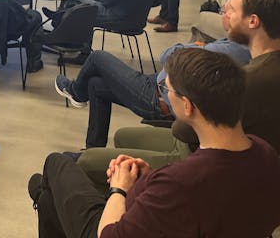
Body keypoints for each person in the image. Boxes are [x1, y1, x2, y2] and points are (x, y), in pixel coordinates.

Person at [29, 48, 280, 238]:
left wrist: (120, 188)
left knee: (54, 165)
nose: (164, 93)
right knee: (47, 195)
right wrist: (150, 179)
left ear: (187, 106)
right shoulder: (265, 153)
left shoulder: (181, 184)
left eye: (166, 88)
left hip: (110, 227)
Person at [75, 0, 280, 186]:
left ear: (253, 21)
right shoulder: (258, 63)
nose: (224, 16)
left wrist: (193, 56)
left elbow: (183, 129)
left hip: (194, 156)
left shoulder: (251, 79)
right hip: (193, 136)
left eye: (230, 11)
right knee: (99, 89)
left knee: (86, 162)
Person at [53, 24, 249, 150]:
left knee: (97, 57)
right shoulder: (238, 46)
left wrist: (196, 46)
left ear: (252, 21)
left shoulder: (234, 51)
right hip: (160, 84)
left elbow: (167, 56)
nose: (224, 11)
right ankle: (93, 150)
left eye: (231, 9)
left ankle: (77, 93)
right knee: (96, 85)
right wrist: (198, 46)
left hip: (158, 97)